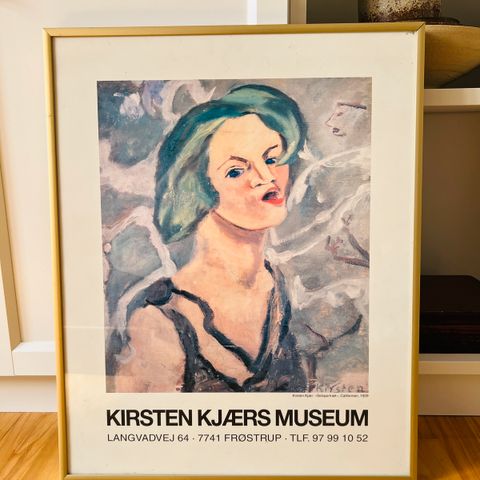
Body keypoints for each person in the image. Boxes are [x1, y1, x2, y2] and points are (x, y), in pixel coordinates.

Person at [109, 84, 308, 392]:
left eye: (271, 159)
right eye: (236, 171)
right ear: (196, 190)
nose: (267, 178)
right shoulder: (159, 320)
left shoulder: (282, 289)